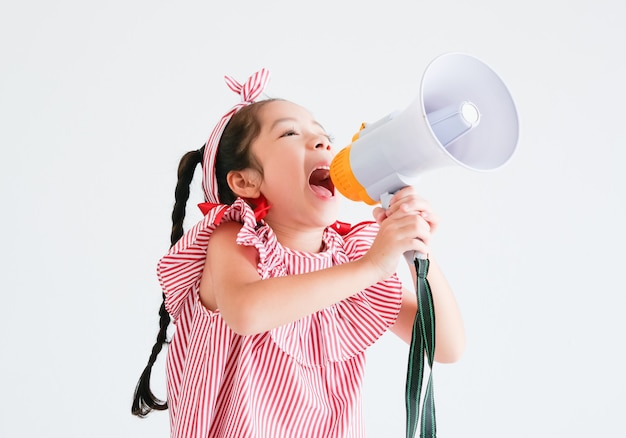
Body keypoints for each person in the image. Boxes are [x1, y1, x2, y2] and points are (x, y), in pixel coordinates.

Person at [132, 69, 465, 437]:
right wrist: (373, 265)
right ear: (245, 181)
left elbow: (446, 346)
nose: (321, 143)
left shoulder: (351, 260)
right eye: (291, 133)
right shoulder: (232, 240)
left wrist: (419, 254)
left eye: (325, 137)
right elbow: (247, 312)